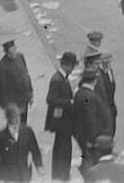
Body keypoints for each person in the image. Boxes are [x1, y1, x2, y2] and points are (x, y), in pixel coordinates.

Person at [0, 102, 43, 182]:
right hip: (8, 177)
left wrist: (39, 166)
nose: (16, 122)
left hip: (24, 175)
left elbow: (35, 151)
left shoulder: (27, 131)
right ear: (8, 119)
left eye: (18, 118)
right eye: (13, 119)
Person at [71, 67, 113, 173]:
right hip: (92, 137)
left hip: (83, 135)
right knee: (93, 161)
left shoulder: (80, 93)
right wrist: (94, 140)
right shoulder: (88, 96)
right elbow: (90, 120)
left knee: (88, 158)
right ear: (94, 81)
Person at [45, 51, 78, 181]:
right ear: (66, 65)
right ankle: (62, 174)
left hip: (62, 121)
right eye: (72, 66)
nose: (73, 69)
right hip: (61, 122)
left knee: (61, 148)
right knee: (64, 149)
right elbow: (50, 100)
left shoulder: (61, 78)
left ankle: (59, 174)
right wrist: (69, 102)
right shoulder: (57, 79)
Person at [0, 39, 34, 126]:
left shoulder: (20, 57)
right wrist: (4, 104)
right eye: (12, 50)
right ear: (7, 51)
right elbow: (0, 87)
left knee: (23, 121)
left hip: (23, 97)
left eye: (15, 48)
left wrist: (30, 93)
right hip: (12, 101)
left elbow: (26, 75)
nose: (14, 51)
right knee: (14, 123)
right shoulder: (1, 66)